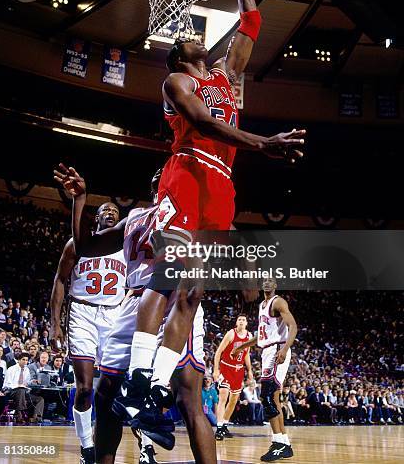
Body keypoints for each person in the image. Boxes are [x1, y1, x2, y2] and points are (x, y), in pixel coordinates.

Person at [117, 0, 306, 438]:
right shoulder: (177, 83)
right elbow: (203, 124)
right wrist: (262, 143)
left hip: (222, 188)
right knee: (167, 276)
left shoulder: (225, 74)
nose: (192, 35)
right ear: (178, 56)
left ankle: (154, 386)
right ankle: (137, 378)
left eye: (195, 35)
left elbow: (253, 19)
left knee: (194, 292)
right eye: (183, 38)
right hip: (187, 172)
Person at [55, 165, 217, 464]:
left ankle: (152, 420)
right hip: (133, 305)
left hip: (174, 301)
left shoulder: (193, 215)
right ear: (153, 187)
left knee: (188, 399)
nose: (162, 174)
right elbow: (85, 246)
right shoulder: (135, 218)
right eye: (157, 175)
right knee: (105, 396)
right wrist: (80, 200)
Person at [49, 200, 126, 464]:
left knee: (117, 387)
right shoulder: (77, 245)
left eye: (115, 211)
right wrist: (54, 323)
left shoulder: (127, 247)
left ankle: (142, 446)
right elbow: (59, 279)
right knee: (84, 389)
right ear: (96, 218)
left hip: (115, 314)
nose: (110, 213)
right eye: (105, 210)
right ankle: (86, 447)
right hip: (82, 313)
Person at [232, 278, 297, 461]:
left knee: (267, 396)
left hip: (278, 349)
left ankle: (278, 443)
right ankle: (284, 443)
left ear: (275, 286)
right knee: (273, 397)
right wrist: (241, 346)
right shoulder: (262, 305)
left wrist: (284, 349)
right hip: (268, 351)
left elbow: (293, 326)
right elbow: (262, 336)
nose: (267, 282)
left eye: (271, 281)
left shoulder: (278, 301)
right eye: (265, 280)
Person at [213, 314, 253, 440]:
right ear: (236, 322)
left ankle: (224, 424)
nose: (241, 321)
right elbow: (219, 352)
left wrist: (250, 370)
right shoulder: (231, 334)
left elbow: (246, 354)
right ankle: (219, 427)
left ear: (246, 323)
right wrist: (215, 370)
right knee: (223, 395)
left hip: (239, 370)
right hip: (226, 367)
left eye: (243, 320)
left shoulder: (249, 336)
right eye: (239, 319)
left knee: (233, 400)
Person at [2, 352, 44, 423]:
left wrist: (32, 382)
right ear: (19, 360)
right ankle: (20, 414)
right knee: (20, 390)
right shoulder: (11, 369)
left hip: (23, 392)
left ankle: (36, 417)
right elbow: (7, 384)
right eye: (23, 359)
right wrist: (18, 386)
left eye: (26, 360)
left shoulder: (26, 370)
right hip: (11, 391)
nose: (25, 362)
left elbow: (26, 383)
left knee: (40, 399)